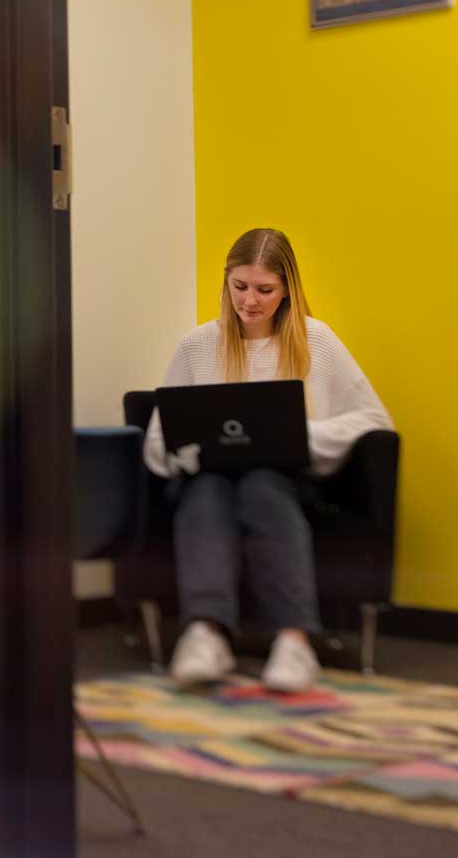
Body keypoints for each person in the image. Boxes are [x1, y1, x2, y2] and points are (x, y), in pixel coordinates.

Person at [144, 228, 392, 693]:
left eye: (265, 290)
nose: (250, 301)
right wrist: (190, 447)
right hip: (207, 475)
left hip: (285, 478)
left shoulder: (316, 341)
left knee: (260, 482)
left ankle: (294, 640)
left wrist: (301, 436)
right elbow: (158, 436)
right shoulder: (197, 345)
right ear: (226, 283)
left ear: (288, 290)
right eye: (240, 287)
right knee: (208, 487)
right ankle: (206, 633)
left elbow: (372, 418)